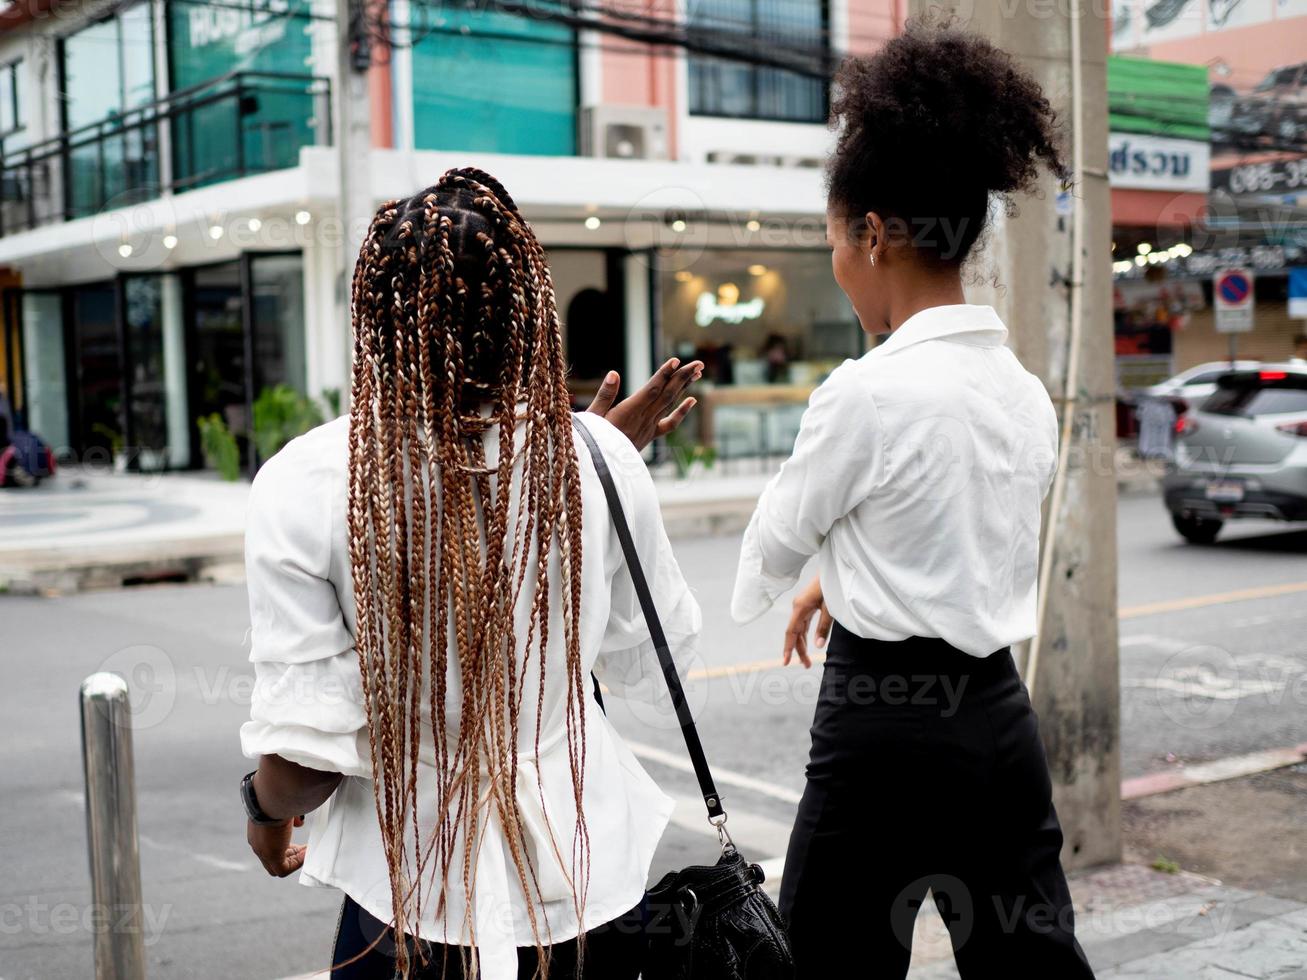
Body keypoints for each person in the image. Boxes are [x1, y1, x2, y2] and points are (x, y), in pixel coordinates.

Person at [239, 168, 706, 980]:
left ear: (377, 322)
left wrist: (261, 814)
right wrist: (593, 473)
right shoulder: (596, 463)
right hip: (583, 894)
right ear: (528, 314)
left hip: (412, 908)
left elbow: (303, 766)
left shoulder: (308, 481)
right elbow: (647, 666)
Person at [730, 22, 1096, 980]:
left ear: (875, 234)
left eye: (837, 246)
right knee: (1030, 964)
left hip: (878, 730)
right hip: (994, 718)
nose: (841, 270)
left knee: (830, 964)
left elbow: (770, 546)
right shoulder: (1020, 391)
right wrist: (849, 570)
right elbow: (962, 530)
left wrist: (814, 576)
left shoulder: (863, 390)